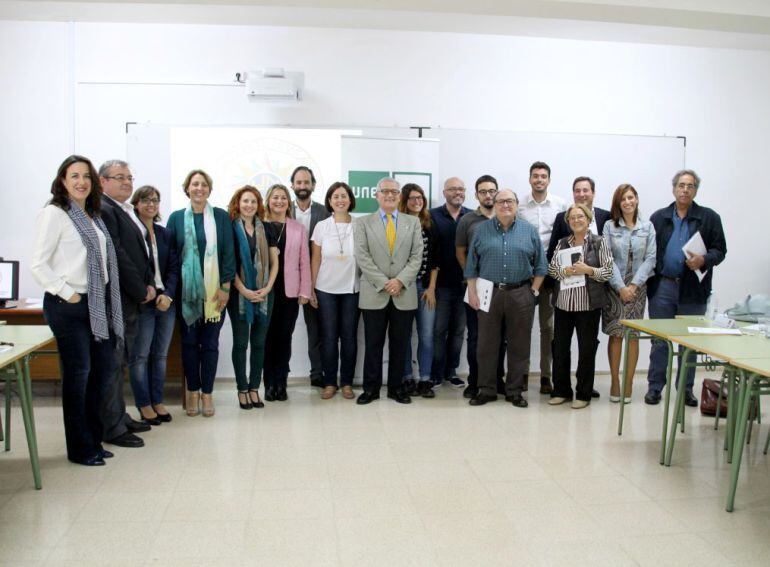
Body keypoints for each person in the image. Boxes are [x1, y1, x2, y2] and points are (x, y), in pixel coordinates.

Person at [30, 155, 124, 466]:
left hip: (97, 306)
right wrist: (68, 294)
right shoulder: (54, 214)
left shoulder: (93, 216)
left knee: (99, 375)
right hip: (68, 306)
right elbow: (38, 264)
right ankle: (80, 448)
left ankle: (93, 441)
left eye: (86, 176)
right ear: (62, 181)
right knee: (78, 376)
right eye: (74, 176)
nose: (81, 181)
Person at [644, 170, 727, 407]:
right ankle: (655, 387)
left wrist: (704, 260)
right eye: (681, 185)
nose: (685, 190)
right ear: (673, 188)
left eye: (690, 186)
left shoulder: (709, 217)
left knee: (689, 343)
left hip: (692, 290)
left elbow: (720, 250)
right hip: (663, 286)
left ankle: (686, 390)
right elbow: (651, 252)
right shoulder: (659, 217)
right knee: (660, 340)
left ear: (696, 190)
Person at [465, 189, 546, 409]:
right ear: (495, 204)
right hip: (488, 293)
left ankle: (515, 391)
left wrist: (533, 292)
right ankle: (487, 389)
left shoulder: (529, 231)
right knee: (486, 345)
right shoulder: (481, 230)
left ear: (517, 204)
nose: (505, 205)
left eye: (509, 201)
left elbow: (541, 266)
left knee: (520, 345)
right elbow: (471, 266)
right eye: (500, 201)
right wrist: (472, 293)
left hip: (521, 293)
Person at [166, 169, 235, 417]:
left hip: (216, 292)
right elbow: (171, 257)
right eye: (195, 184)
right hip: (187, 295)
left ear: (209, 189)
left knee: (210, 345)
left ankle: (207, 394)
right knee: (188, 344)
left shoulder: (220, 216)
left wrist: (226, 287)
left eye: (204, 184)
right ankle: (192, 392)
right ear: (187, 188)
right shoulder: (175, 218)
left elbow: (228, 253)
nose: (199, 188)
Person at [99, 159, 155, 447]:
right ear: (103, 181)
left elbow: (139, 251)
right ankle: (113, 427)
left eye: (129, 177)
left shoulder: (123, 210)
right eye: (119, 177)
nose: (127, 182)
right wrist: (139, 288)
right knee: (112, 364)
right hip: (120, 298)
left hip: (131, 297)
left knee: (120, 362)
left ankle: (120, 417)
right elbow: (118, 255)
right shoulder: (105, 209)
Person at [355, 177, 423, 405]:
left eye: (394, 191)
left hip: (404, 293)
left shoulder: (412, 223)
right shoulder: (363, 223)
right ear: (376, 195)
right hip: (374, 293)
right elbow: (362, 257)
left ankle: (396, 389)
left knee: (400, 344)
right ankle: (371, 389)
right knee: (372, 344)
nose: (390, 195)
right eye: (385, 191)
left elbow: (416, 257)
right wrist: (385, 283)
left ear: (400, 196)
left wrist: (400, 281)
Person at [548, 176, 611, 399]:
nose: (576, 220)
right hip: (564, 305)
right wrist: (564, 271)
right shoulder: (562, 243)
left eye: (580, 216)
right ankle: (561, 391)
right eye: (572, 217)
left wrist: (588, 270)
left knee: (586, 351)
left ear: (588, 218)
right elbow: (553, 270)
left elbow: (608, 273)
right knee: (560, 349)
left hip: (589, 305)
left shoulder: (600, 242)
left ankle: (583, 394)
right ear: (568, 221)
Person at [127, 186, 178, 423]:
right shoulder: (132, 233)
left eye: (155, 200)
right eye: (146, 200)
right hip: (144, 302)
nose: (151, 204)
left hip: (165, 302)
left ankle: (158, 401)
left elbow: (175, 268)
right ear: (136, 203)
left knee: (159, 355)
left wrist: (168, 294)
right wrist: (144, 292)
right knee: (140, 356)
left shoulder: (165, 233)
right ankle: (144, 404)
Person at [602, 184, 656, 403]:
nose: (627, 202)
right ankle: (615, 381)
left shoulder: (648, 226)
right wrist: (620, 286)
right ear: (618, 203)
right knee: (616, 334)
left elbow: (651, 258)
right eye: (623, 199)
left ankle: (629, 382)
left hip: (638, 287)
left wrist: (633, 286)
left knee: (632, 335)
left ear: (636, 199)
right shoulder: (609, 226)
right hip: (615, 287)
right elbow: (607, 258)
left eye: (631, 197)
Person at [517, 161, 567, 395]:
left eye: (543, 176)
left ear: (549, 180)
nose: (539, 180)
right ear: (530, 179)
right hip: (525, 275)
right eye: (535, 176)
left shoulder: (560, 205)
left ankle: (546, 376)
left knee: (548, 328)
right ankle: (522, 374)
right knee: (522, 327)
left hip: (550, 275)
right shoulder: (519, 207)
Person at [227, 186, 279, 410]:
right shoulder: (229, 229)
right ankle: (241, 389)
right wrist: (243, 290)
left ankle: (254, 388)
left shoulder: (266, 228)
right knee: (240, 343)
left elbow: (275, 262)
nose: (249, 205)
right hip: (239, 295)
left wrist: (267, 288)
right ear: (238, 204)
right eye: (245, 201)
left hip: (265, 294)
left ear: (259, 205)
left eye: (253, 201)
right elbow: (228, 264)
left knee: (259, 343)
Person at [455, 174, 505, 399]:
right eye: (483, 191)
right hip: (476, 287)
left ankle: (497, 380)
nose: (488, 195)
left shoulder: (507, 216)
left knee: (500, 337)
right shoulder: (467, 220)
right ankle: (474, 380)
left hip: (503, 289)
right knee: (475, 337)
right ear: (476, 195)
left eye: (492, 191)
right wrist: (473, 277)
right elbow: (460, 252)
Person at [263, 183, 312, 401]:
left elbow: (305, 261)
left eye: (283, 198)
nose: (279, 201)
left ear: (288, 202)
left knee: (284, 338)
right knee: (265, 338)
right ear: (268, 200)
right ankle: (268, 384)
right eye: (275, 197)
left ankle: (281, 383)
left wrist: (305, 290)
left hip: (289, 292)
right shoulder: (259, 225)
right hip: (265, 290)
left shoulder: (297, 228)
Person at [310, 182, 360, 400]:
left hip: (352, 288)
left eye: (344, 196)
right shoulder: (321, 226)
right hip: (325, 289)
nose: (340, 200)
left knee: (349, 337)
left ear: (350, 200)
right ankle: (330, 382)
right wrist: (311, 289)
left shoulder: (360, 225)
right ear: (329, 201)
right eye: (335, 196)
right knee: (329, 337)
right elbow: (315, 258)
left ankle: (347, 382)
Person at [429, 177, 470, 389]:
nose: (457, 192)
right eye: (452, 189)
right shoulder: (432, 215)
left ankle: (451, 371)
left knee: (458, 331)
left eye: (461, 189)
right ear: (444, 192)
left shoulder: (472, 216)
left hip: (465, 285)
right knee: (438, 330)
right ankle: (436, 373)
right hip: (440, 285)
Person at [291, 166, 330, 388]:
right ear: (292, 186)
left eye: (307, 182)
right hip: (286, 277)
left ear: (313, 185)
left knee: (316, 329)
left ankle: (317, 373)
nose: (303, 186)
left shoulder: (325, 212)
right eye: (299, 182)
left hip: (314, 277)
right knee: (282, 329)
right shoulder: (284, 210)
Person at [398, 183, 439, 399]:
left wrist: (431, 288)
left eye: (420, 197)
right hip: (403, 288)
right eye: (412, 198)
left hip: (425, 288)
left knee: (427, 335)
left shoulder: (429, 224)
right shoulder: (397, 225)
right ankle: (406, 378)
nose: (417, 201)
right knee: (404, 335)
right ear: (404, 201)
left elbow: (435, 260)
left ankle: (425, 379)